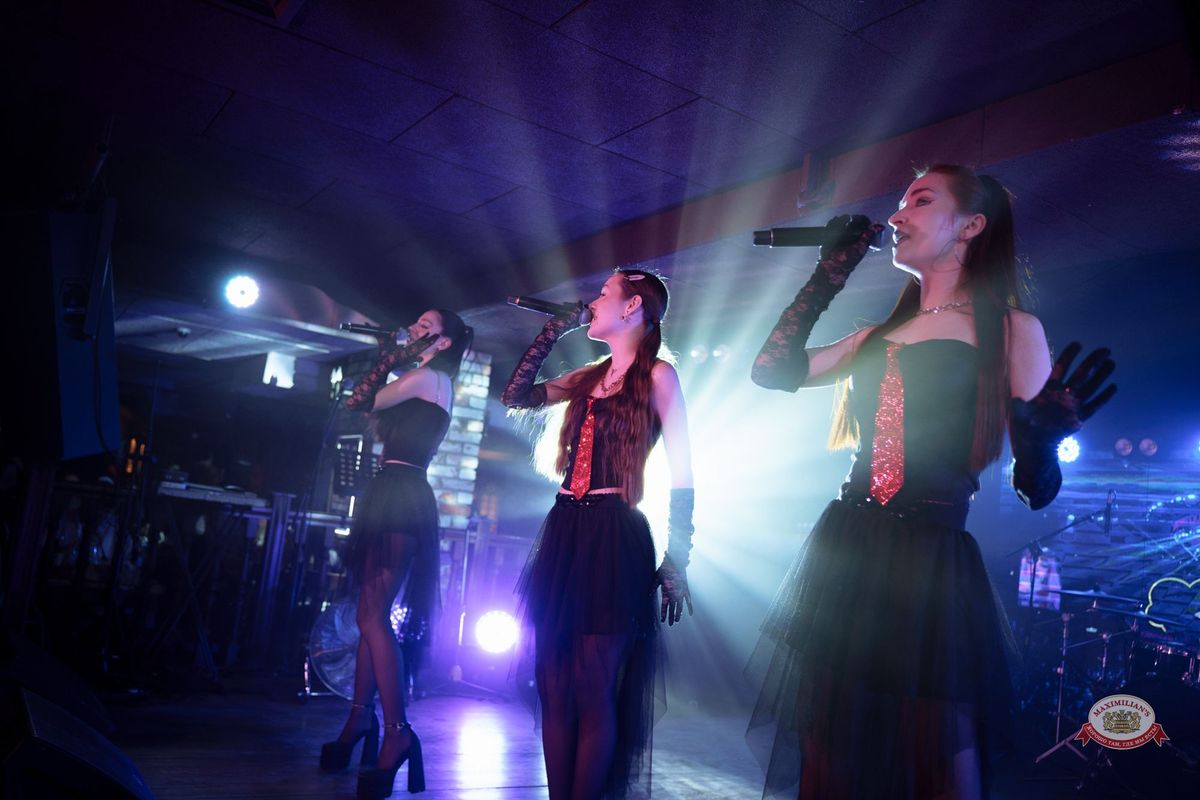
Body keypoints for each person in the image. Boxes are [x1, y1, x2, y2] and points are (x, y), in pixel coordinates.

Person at [746, 165, 1116, 799]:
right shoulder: (875, 335)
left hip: (929, 558)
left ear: (970, 226)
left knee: (937, 756)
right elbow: (772, 370)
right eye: (899, 203)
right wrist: (829, 272)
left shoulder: (1011, 330)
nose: (896, 216)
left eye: (919, 200)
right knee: (826, 748)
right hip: (846, 550)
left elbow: (1037, 491)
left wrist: (1041, 443)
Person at [501, 269, 695, 800]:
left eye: (603, 294)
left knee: (592, 687)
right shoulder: (589, 377)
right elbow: (515, 395)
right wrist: (552, 330)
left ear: (632, 306)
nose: (591, 302)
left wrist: (677, 557)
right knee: (552, 685)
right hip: (564, 531)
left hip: (614, 535)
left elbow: (684, 473)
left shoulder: (659, 376)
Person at [319, 309, 473, 799]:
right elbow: (368, 407)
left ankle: (396, 731)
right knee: (369, 613)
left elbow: (358, 399)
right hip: (391, 490)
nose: (416, 328)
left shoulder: (429, 378)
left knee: (372, 615)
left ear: (444, 342)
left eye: (427, 325)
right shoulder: (422, 379)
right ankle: (359, 722)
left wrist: (390, 354)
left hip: (402, 494)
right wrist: (393, 354)